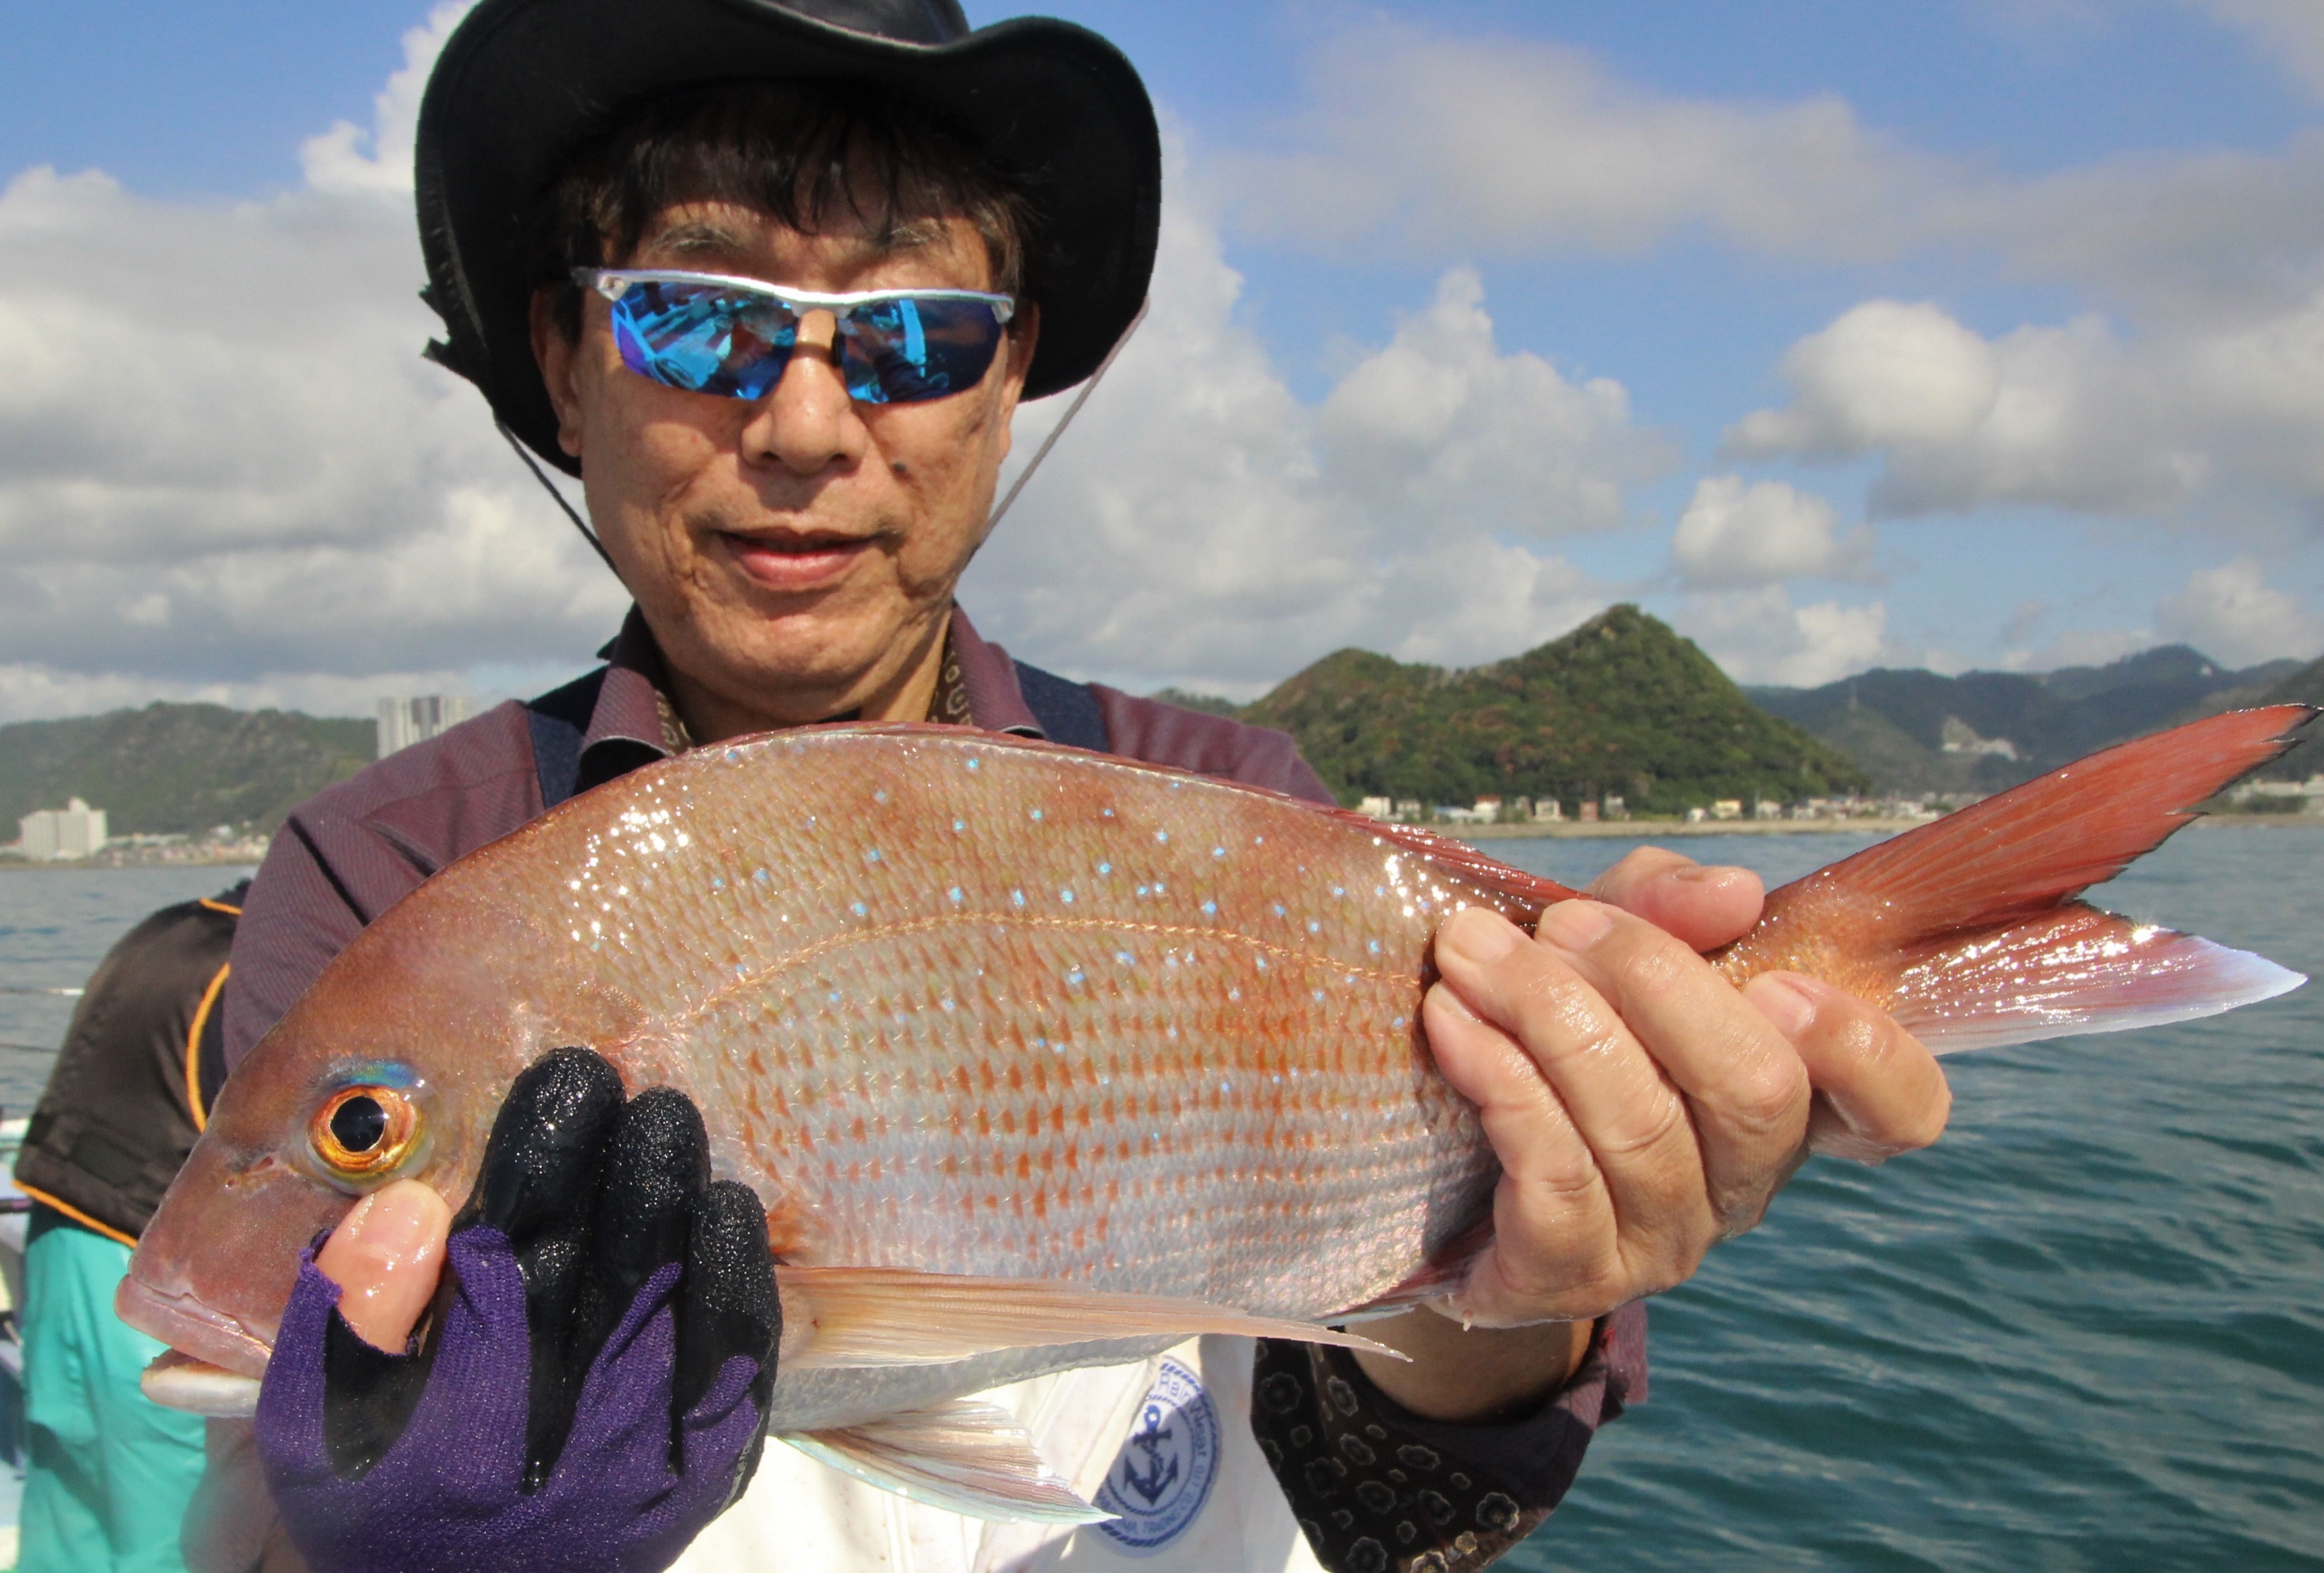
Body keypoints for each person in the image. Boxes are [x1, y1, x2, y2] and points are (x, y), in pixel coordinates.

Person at [210, 2, 1952, 1569]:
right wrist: (411, 1542)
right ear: (567, 357)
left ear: (1009, 373)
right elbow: (260, 1475)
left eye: (909, 338)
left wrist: (1519, 1286)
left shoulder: (1231, 799)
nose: (808, 426)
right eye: (696, 319)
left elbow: (1401, 1504)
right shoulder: (387, 869)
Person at [11, 882, 244, 1571]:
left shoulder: (171, 929)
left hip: (59, 1238)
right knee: (173, 1531)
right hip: (148, 1274)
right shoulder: (259, 959)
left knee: (72, 1507)